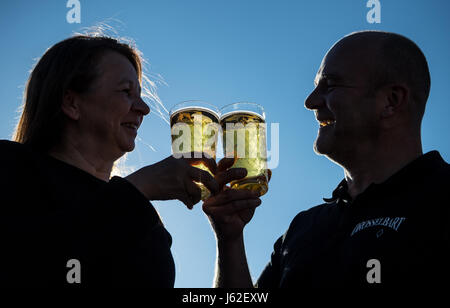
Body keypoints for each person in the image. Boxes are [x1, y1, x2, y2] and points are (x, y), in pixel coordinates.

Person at [203, 30, 450, 287]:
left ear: (391, 101)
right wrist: (229, 238)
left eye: (330, 85)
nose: (310, 102)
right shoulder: (303, 228)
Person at [0, 34, 224, 287]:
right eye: (126, 92)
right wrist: (138, 189)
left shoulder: (147, 223)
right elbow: (33, 264)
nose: (144, 108)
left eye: (139, 94)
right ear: (71, 103)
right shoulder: (10, 168)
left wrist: (229, 239)